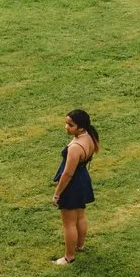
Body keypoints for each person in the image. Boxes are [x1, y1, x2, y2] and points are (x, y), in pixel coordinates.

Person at [51, 109, 99, 265]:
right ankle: (80, 245)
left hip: (72, 185)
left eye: (70, 125)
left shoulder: (76, 147)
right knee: (80, 216)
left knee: (69, 223)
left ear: (81, 127)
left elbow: (68, 174)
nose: (66, 127)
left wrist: (57, 193)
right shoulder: (90, 138)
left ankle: (69, 257)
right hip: (83, 180)